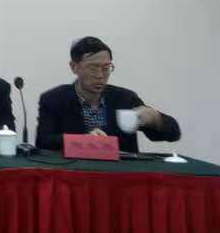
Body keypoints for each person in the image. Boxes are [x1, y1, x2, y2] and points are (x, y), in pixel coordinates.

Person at [35, 36, 181, 153]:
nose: (100, 75)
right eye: (93, 68)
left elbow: (173, 134)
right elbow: (43, 141)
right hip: (74, 173)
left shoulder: (125, 98)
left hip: (120, 174)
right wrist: (82, 141)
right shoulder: (54, 99)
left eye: (106, 68)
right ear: (74, 67)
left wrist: (155, 119)